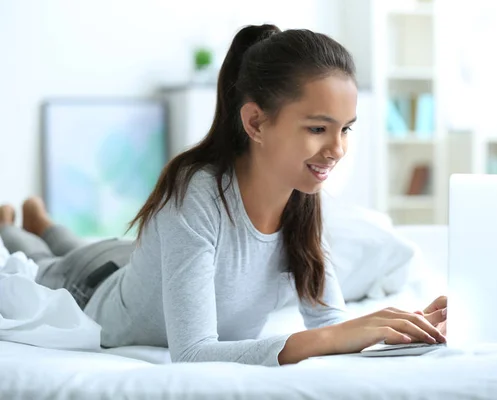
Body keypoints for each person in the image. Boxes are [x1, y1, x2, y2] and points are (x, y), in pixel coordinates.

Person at [0, 24, 447, 366]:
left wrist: (387, 331)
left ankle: (42, 220)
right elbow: (193, 352)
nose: (337, 149)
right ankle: (17, 225)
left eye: (345, 129)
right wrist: (332, 338)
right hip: (92, 282)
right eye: (317, 128)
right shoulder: (194, 196)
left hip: (140, 260)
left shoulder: (304, 200)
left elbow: (328, 323)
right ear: (255, 122)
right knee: (39, 261)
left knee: (76, 244)